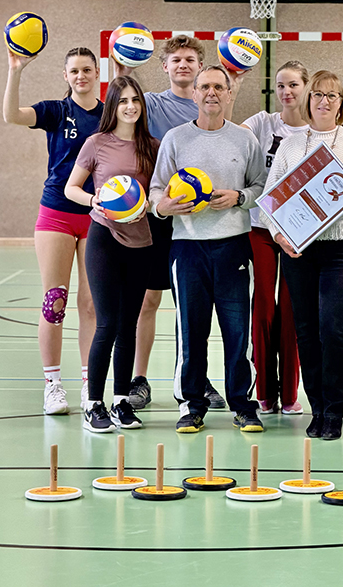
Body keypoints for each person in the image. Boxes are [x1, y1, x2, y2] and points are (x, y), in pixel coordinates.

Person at [262, 70, 343, 440]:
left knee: (333, 329)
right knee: (306, 331)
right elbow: (271, 202)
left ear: (341, 103)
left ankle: (335, 412)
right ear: (308, 100)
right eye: (317, 94)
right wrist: (278, 234)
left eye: (332, 95)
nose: (323, 101)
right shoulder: (290, 144)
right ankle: (316, 408)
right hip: (298, 249)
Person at [149, 65, 267, 433]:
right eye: (205, 87)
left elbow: (262, 186)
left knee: (237, 331)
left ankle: (242, 404)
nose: (212, 92)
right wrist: (162, 206)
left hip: (233, 246)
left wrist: (239, 196)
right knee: (191, 331)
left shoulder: (246, 140)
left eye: (219, 86)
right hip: (187, 248)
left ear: (230, 94)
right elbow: (156, 189)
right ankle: (191, 404)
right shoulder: (174, 139)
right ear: (195, 94)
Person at [115, 35, 226, 411]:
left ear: (200, 67)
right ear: (164, 66)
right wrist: (120, 71)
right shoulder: (148, 104)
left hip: (198, 222)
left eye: (191, 59)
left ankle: (199, 379)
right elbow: (120, 114)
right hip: (158, 214)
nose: (183, 64)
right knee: (148, 300)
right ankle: (138, 379)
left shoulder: (209, 104)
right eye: (176, 59)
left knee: (192, 305)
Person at [2, 45, 101, 415]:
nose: (81, 76)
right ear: (65, 76)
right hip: (57, 214)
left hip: (96, 216)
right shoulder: (55, 111)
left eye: (87, 70)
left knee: (91, 304)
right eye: (74, 70)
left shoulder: (109, 116)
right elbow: (12, 115)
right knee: (54, 301)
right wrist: (16, 70)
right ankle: (53, 384)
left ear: (96, 73)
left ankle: (91, 385)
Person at [65, 77, 159, 433]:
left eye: (136, 100)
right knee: (106, 323)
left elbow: (161, 189)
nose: (131, 106)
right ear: (113, 106)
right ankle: (93, 404)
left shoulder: (152, 146)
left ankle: (121, 402)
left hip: (141, 241)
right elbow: (71, 188)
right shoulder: (97, 143)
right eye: (123, 101)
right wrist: (96, 199)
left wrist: (154, 202)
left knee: (128, 325)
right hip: (104, 237)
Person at [240, 60, 309, 416]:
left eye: (294, 85)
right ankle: (265, 391)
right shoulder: (262, 124)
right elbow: (230, 136)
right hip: (260, 227)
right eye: (281, 85)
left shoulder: (316, 132)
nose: (287, 92)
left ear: (306, 88)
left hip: (299, 230)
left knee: (292, 310)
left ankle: (290, 395)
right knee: (264, 305)